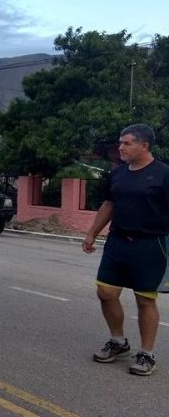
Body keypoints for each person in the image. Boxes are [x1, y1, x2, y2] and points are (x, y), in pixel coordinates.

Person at [83, 124, 169, 376]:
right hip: (117, 242)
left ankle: (146, 353)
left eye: (127, 143)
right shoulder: (118, 174)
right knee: (105, 292)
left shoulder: (164, 174)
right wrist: (92, 233)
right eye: (120, 142)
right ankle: (118, 341)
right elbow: (108, 205)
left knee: (145, 300)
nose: (120, 147)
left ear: (144, 145)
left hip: (151, 244)